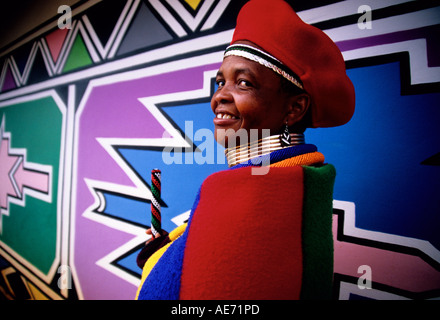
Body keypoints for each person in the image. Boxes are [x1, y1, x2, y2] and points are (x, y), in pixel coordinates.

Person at [135, 0, 354, 300]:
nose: (219, 97)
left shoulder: (253, 197)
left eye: (243, 83)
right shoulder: (299, 180)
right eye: (220, 82)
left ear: (294, 108)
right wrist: (170, 249)